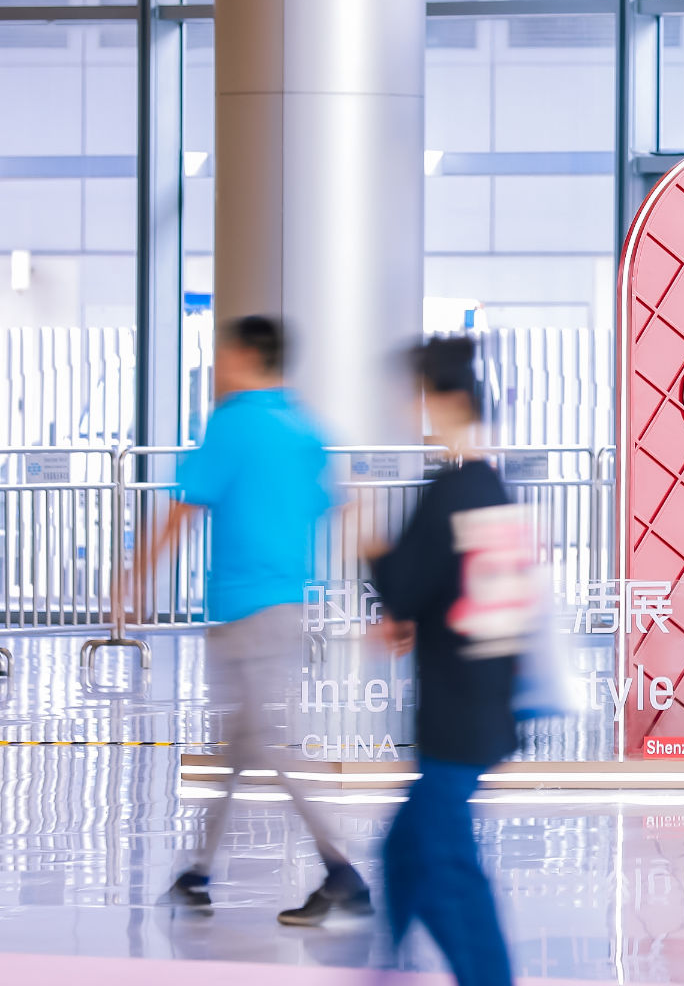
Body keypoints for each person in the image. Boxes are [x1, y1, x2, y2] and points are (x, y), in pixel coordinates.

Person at [149, 315, 369, 924]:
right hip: (291, 603)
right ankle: (196, 873)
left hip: (242, 610)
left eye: (223, 354)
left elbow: (182, 512)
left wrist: (135, 576)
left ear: (246, 355)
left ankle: (342, 872)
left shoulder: (231, 422)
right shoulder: (305, 429)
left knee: (269, 743)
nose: (219, 365)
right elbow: (343, 509)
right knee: (241, 745)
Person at [366, 337, 528, 986]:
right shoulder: (487, 486)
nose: (411, 410)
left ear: (445, 401)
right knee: (406, 851)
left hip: (456, 714)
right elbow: (449, 594)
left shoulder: (450, 492)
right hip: (483, 700)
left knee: (443, 865)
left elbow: (403, 587)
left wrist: (366, 541)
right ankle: (387, 967)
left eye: (418, 397)